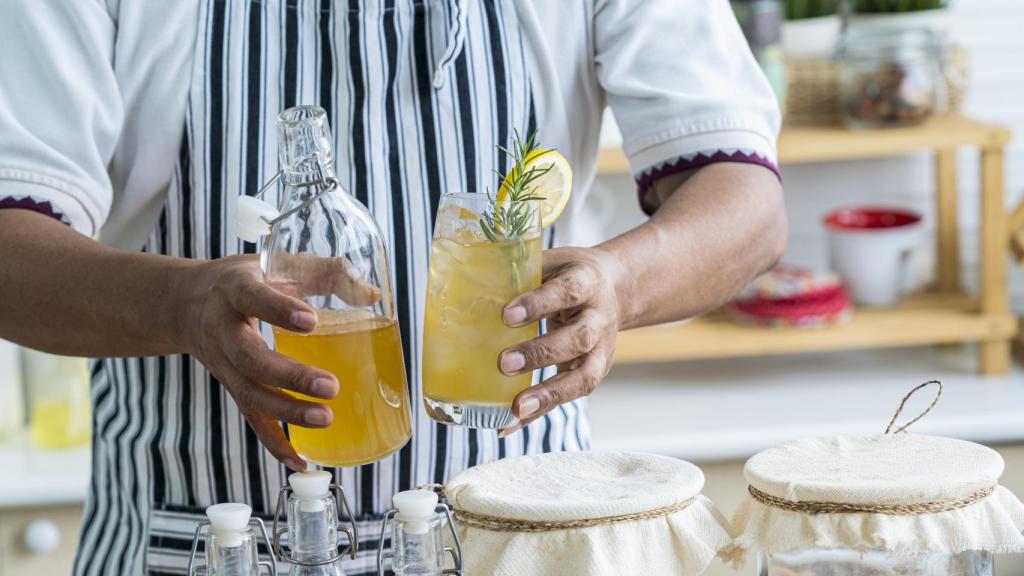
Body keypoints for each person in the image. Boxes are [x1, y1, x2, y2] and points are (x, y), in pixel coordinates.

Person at [0, 0, 785, 574]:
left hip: (522, 544)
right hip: (196, 538)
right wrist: (183, 303)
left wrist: (621, 281)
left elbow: (747, 205)